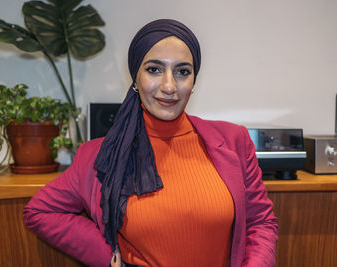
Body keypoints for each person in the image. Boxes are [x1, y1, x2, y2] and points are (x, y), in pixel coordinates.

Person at [23, 19, 278, 267]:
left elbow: (260, 223)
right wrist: (106, 256)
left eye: (182, 72)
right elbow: (39, 212)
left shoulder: (234, 141)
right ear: (135, 77)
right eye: (154, 69)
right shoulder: (99, 156)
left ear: (193, 81)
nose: (169, 86)